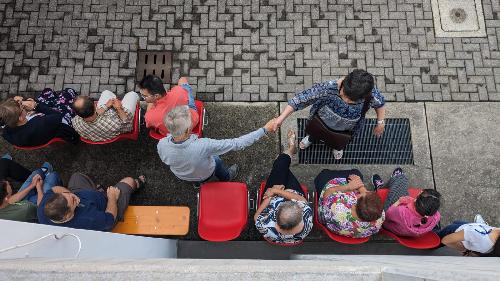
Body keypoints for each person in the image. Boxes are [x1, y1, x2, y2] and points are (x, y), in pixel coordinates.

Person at [273, 69, 386, 159]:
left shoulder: (371, 94)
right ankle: (311, 138)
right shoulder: (328, 88)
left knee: (341, 140)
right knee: (315, 132)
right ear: (345, 81)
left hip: (348, 127)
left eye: (351, 100)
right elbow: (300, 99)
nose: (345, 101)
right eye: (343, 95)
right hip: (321, 120)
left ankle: (337, 146)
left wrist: (380, 123)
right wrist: (281, 118)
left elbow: (380, 104)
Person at [157, 105, 275, 183]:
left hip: (181, 175)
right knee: (216, 160)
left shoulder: (161, 144)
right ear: (188, 130)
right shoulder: (204, 145)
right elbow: (237, 143)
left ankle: (198, 184)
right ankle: (227, 177)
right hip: (206, 173)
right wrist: (264, 129)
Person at [254, 130, 313, 244]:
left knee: (280, 166)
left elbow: (256, 217)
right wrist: (278, 191)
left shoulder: (264, 225)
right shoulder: (306, 221)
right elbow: (301, 200)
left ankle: (288, 152)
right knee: (281, 166)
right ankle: (290, 151)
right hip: (292, 191)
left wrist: (272, 194)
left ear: (276, 213)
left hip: (272, 194)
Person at [37, 172, 146, 231]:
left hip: (90, 197)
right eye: (74, 201)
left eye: (67, 195)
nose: (74, 197)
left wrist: (72, 194)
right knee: (128, 181)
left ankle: (98, 190)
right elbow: (109, 219)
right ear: (66, 216)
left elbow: (55, 189)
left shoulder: (44, 208)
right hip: (107, 209)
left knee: (77, 176)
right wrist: (112, 197)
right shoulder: (88, 220)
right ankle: (137, 183)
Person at [315, 169, 385, 238]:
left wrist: (349, 187)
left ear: (355, 204)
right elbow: (366, 199)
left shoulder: (337, 209)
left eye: (360, 195)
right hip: (350, 232)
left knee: (324, 174)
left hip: (328, 210)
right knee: (356, 173)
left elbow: (327, 193)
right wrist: (361, 187)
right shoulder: (379, 218)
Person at [371, 168, 441, 237]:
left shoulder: (401, 211)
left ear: (416, 199)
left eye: (421, 193)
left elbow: (388, 214)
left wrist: (399, 201)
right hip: (407, 233)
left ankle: (380, 188)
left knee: (401, 181)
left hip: (390, 227)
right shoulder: (436, 217)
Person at [0, 97, 79, 147]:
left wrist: (18, 104)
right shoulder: (41, 123)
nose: (23, 106)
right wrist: (36, 106)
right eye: (22, 108)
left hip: (37, 139)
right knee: (67, 95)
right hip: (57, 127)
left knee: (46, 94)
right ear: (20, 117)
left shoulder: (6, 131)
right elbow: (58, 116)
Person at [72, 90, 140, 142]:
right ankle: (138, 105)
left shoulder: (75, 122)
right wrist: (119, 108)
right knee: (132, 94)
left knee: (106, 92)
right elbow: (128, 126)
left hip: (98, 135)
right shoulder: (113, 123)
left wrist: (106, 106)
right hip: (118, 123)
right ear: (95, 106)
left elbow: (97, 113)